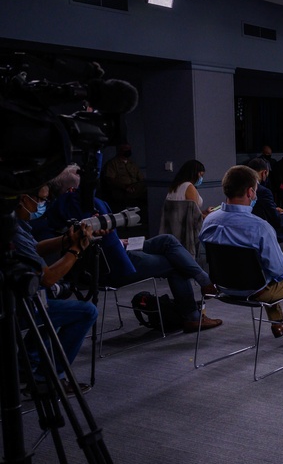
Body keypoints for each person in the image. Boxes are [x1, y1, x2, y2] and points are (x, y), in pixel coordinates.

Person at [47, 165, 223, 334]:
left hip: (100, 260)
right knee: (176, 263)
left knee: (167, 240)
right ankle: (193, 314)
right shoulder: (92, 206)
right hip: (116, 266)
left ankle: (204, 281)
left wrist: (118, 240)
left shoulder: (55, 210)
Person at [200, 165, 283, 344]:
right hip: (256, 289)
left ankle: (278, 323)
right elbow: (279, 272)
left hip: (223, 286)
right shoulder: (260, 227)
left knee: (262, 269)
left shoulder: (209, 220)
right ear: (250, 192)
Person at [13, 185, 98, 393]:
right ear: (24, 198)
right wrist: (76, 249)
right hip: (17, 306)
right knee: (87, 312)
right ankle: (46, 379)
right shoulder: (11, 230)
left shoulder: (14, 222)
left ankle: (27, 365)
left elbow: (34, 248)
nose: (43, 205)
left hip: (22, 299)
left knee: (50, 306)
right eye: (40, 200)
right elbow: (48, 279)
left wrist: (68, 239)